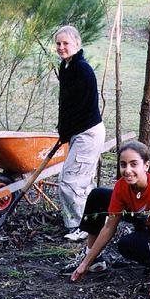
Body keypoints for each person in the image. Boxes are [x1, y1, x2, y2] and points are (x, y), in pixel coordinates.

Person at [65, 141, 150, 299]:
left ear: (146, 166)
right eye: (123, 165)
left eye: (134, 164)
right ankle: (93, 260)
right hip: (146, 219)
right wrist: (85, 263)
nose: (127, 170)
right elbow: (109, 227)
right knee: (98, 195)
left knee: (130, 245)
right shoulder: (122, 186)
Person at [55, 25, 105, 241]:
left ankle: (81, 227)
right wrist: (63, 131)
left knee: (69, 180)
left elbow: (81, 108)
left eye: (66, 43)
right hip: (79, 132)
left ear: (77, 44)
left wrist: (66, 132)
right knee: (82, 181)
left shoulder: (81, 69)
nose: (61, 47)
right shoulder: (67, 67)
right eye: (58, 43)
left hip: (87, 133)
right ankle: (93, 223)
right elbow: (66, 105)